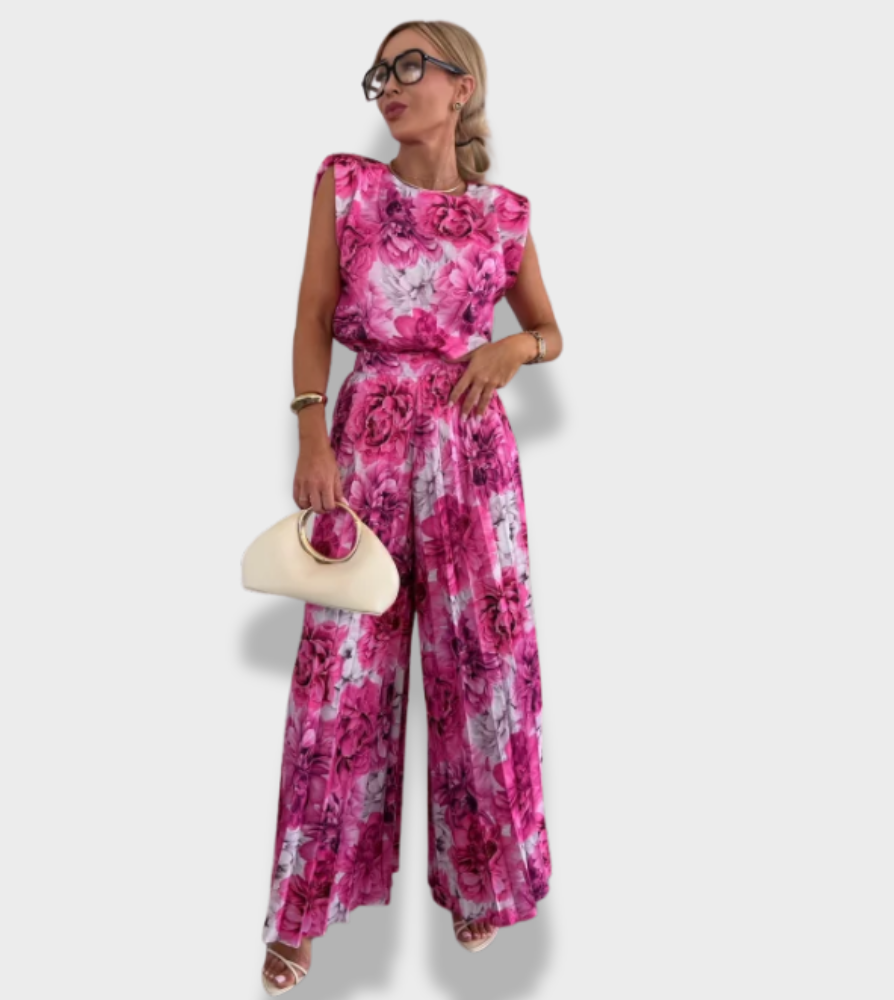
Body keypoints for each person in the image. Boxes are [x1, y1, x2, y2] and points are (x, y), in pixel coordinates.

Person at [260, 19, 562, 995]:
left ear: (461, 86)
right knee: (340, 678)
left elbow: (550, 330)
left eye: (407, 67)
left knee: (484, 670)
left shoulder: (505, 215)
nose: (387, 86)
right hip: (367, 445)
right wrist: (312, 435)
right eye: (379, 74)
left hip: (473, 459)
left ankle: (482, 882)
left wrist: (511, 348)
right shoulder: (347, 187)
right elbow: (312, 316)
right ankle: (302, 909)